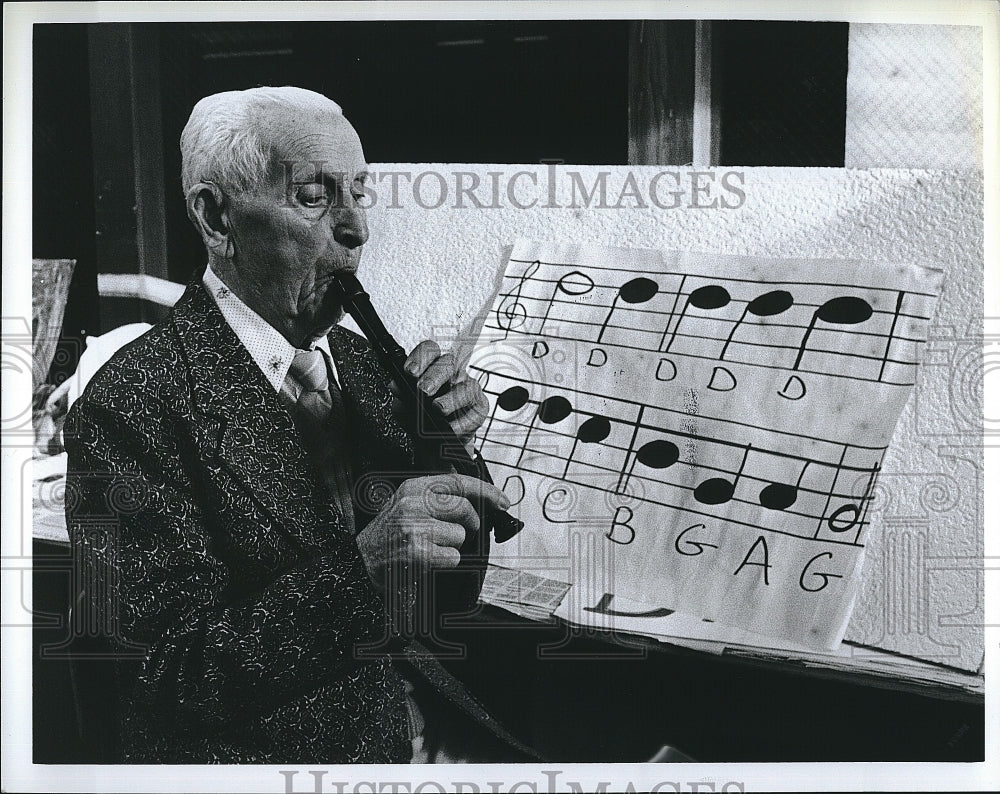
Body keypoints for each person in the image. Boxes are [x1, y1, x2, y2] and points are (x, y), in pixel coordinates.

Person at [64, 86, 524, 763]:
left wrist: (445, 451)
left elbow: (444, 602)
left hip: (417, 726)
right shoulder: (129, 402)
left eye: (359, 193)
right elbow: (163, 677)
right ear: (217, 219)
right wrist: (364, 570)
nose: (356, 229)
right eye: (314, 196)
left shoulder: (363, 365)